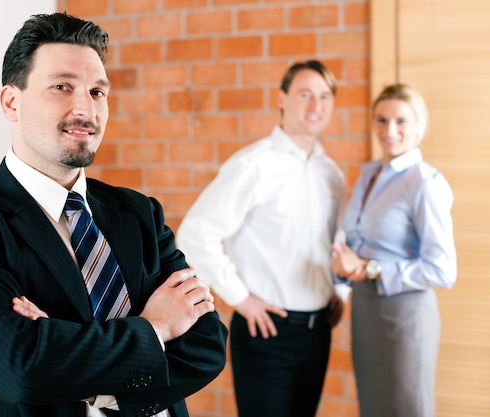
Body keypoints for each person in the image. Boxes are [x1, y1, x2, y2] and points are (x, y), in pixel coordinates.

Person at [0, 12, 227, 417]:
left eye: (98, 92)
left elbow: (206, 347)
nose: (86, 108)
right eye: (62, 87)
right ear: (11, 101)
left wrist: (66, 352)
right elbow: (19, 369)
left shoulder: (139, 213)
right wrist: (157, 328)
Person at [177, 60, 346, 417]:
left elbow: (338, 241)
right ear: (282, 99)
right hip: (267, 330)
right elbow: (196, 234)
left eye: (324, 97)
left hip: (318, 332)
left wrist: (340, 292)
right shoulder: (254, 164)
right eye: (305, 95)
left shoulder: (331, 173)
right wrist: (242, 299)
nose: (316, 106)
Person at [330, 84, 457, 417]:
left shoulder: (424, 183)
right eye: (381, 119)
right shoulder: (368, 173)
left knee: (407, 409)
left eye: (402, 121)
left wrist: (371, 268)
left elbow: (442, 270)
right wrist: (342, 276)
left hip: (405, 317)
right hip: (366, 312)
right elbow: (356, 243)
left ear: (420, 124)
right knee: (373, 407)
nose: (390, 130)